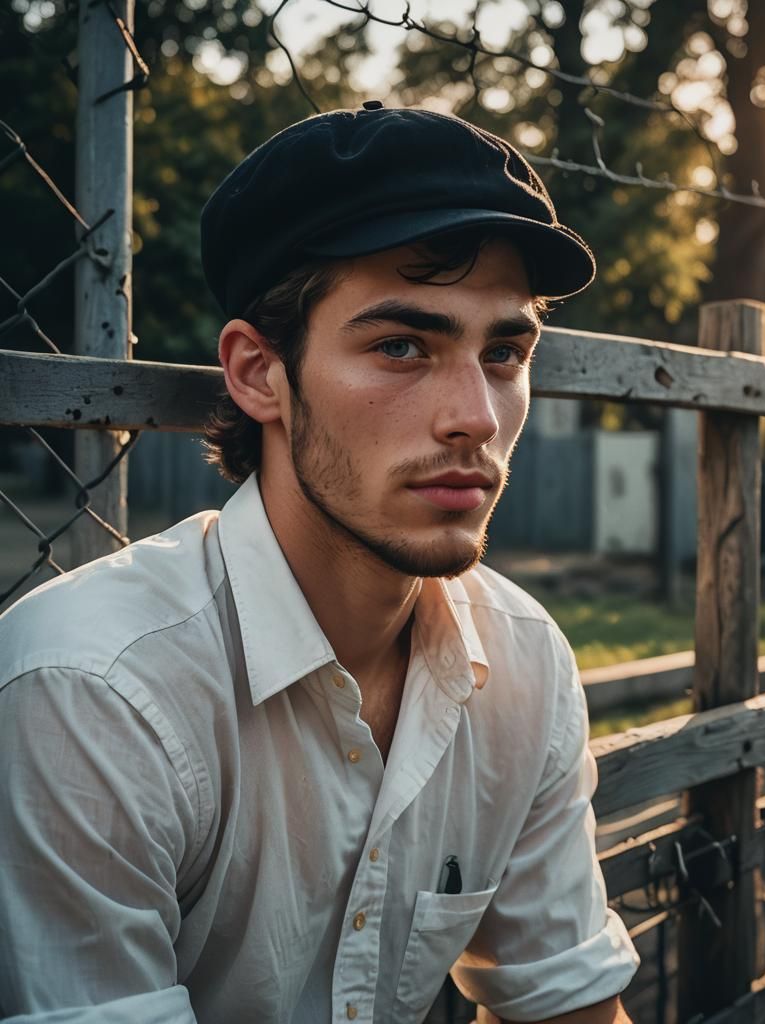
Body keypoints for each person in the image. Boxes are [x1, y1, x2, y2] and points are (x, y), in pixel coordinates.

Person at [0, 105, 639, 1023]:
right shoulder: (95, 692)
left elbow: (567, 1007)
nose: (477, 416)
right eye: (400, 347)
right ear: (260, 373)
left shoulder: (525, 663)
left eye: (503, 352)